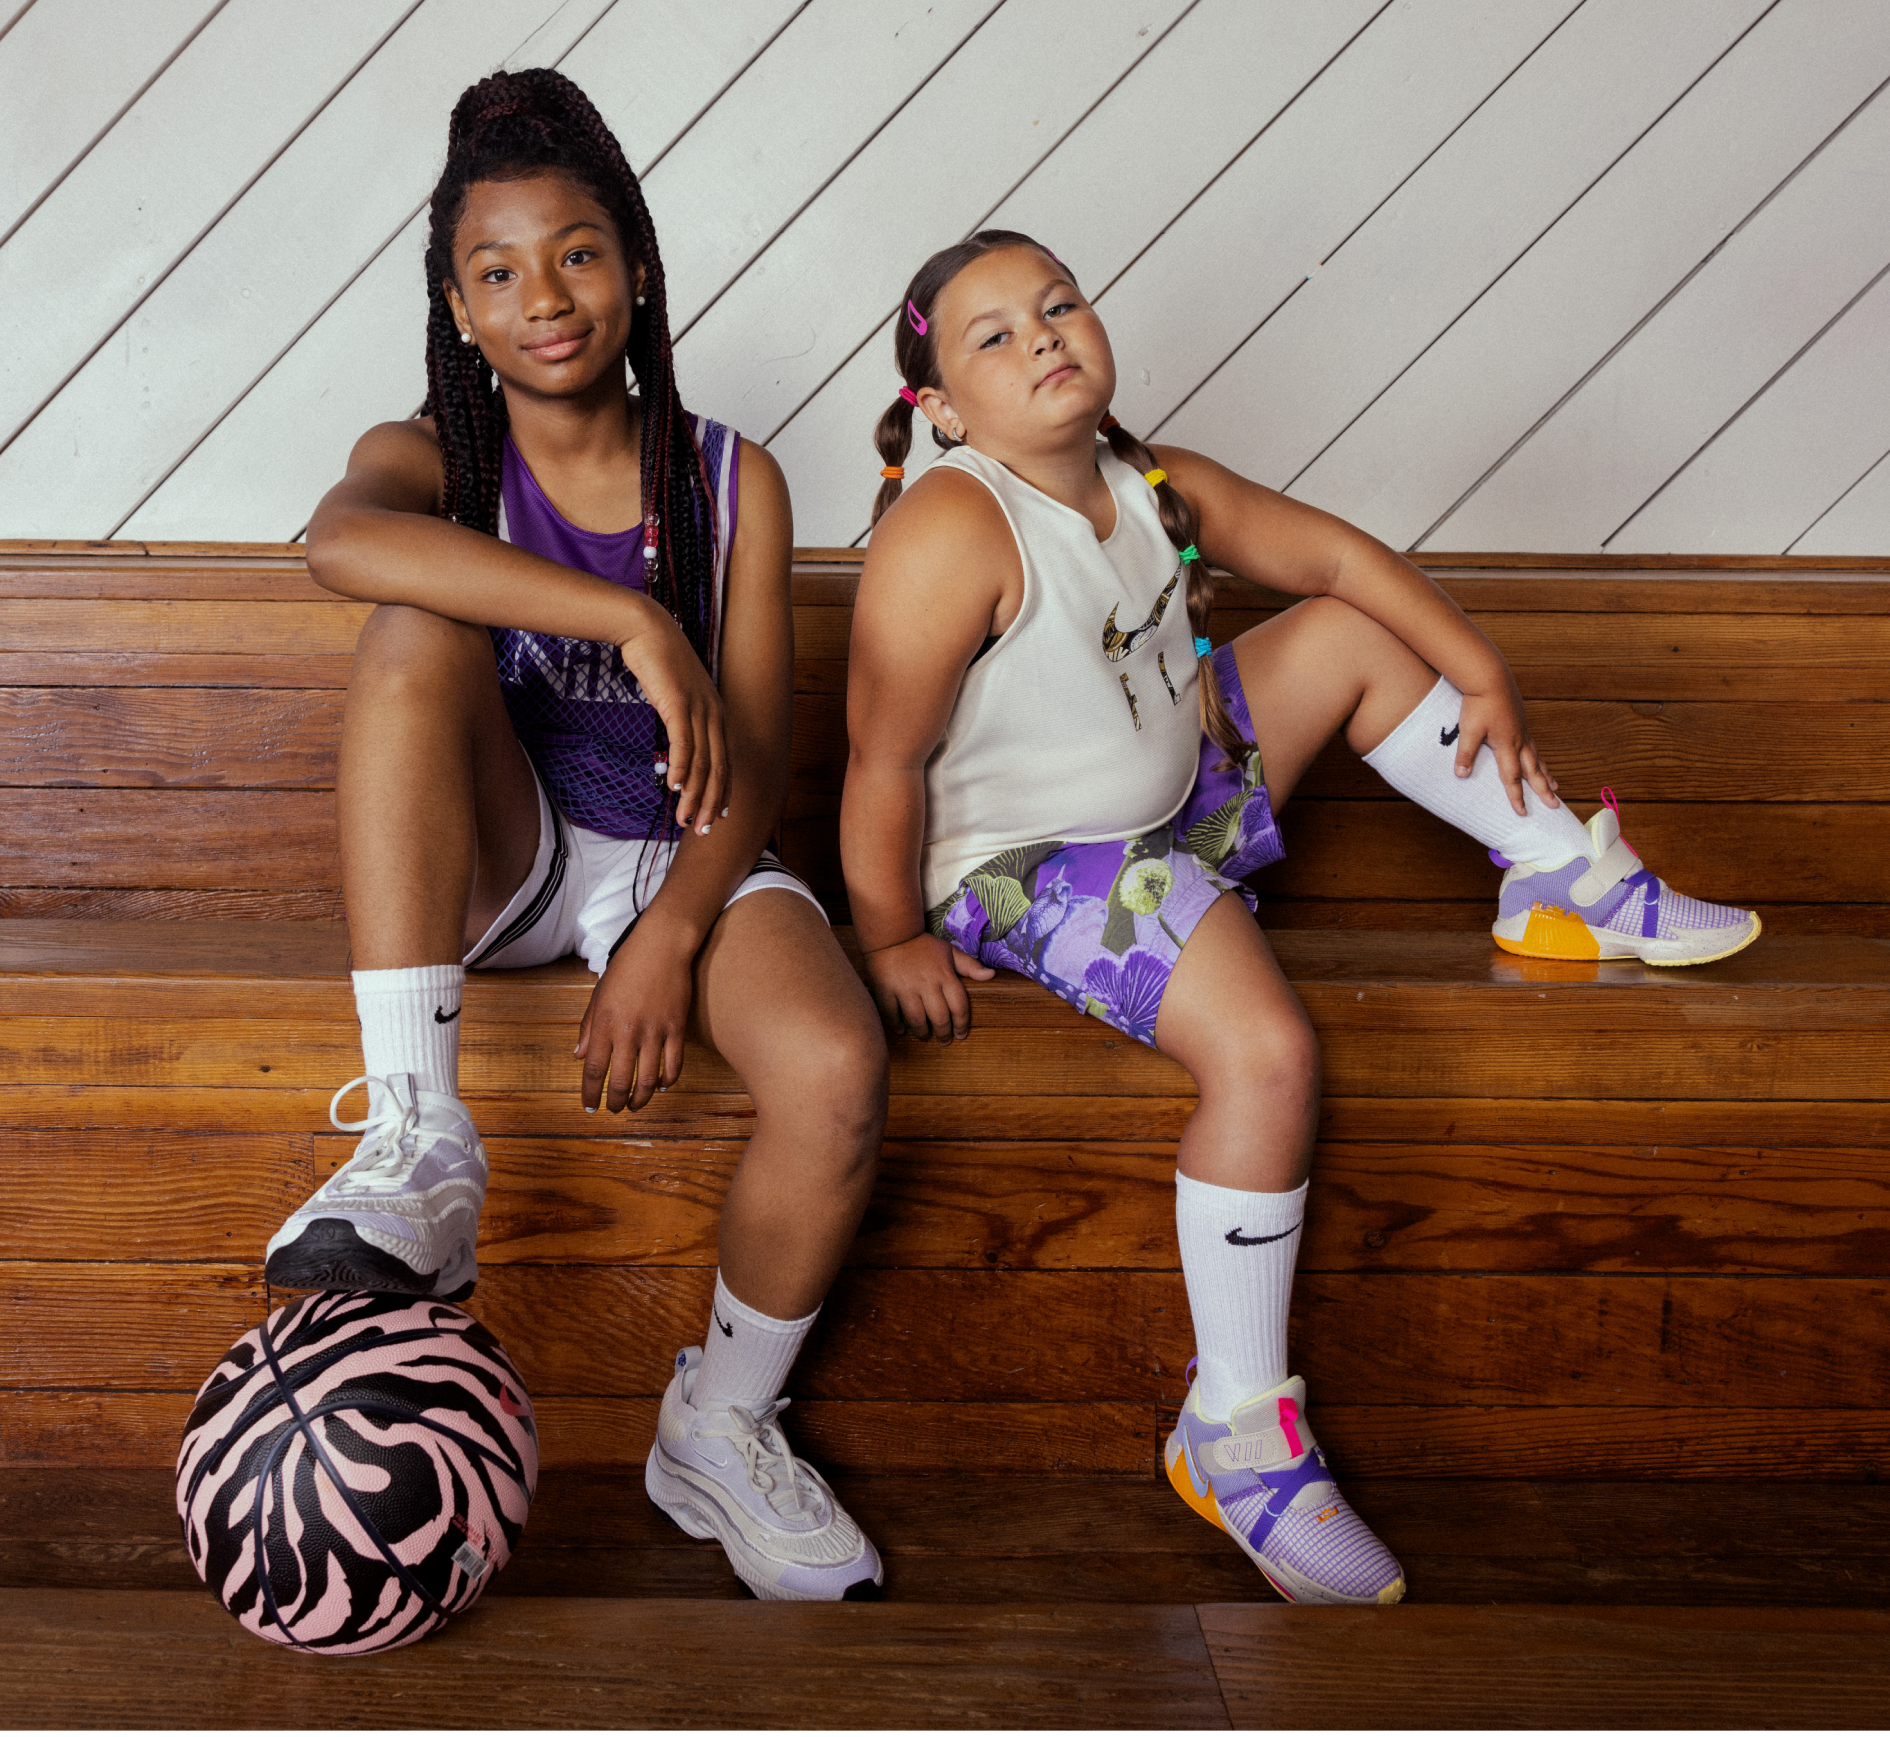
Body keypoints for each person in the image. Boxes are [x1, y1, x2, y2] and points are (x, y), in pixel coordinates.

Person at [842, 230, 1760, 1606]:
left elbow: (1329, 555)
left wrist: (1479, 666)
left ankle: (1556, 875)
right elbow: (881, 758)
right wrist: (887, 937)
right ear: (942, 406)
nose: (1041, 337)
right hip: (1032, 860)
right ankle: (1235, 1432)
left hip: (1164, 797)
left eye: (1057, 304)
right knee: (1267, 1053)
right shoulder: (950, 525)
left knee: (1342, 633)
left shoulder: (1148, 478)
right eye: (991, 336)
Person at [264, 70, 887, 1602]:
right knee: (413, 616)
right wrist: (619, 613)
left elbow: (753, 762)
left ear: (638, 266)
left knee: (836, 1069)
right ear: (458, 308)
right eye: (497, 271)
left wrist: (671, 936)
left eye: (578, 253)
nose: (543, 297)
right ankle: (418, 1135)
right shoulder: (434, 460)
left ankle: (721, 1427)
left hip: (686, 849)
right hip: (509, 848)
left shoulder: (731, 479)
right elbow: (333, 543)